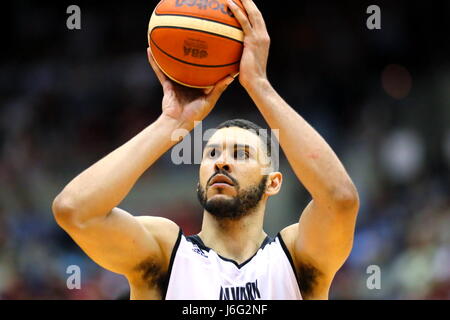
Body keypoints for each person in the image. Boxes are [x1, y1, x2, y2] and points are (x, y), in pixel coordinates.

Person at [52, 0, 359, 300]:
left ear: (273, 182)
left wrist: (259, 86)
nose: (221, 162)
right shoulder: (165, 254)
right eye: (211, 154)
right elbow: (74, 210)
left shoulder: (295, 257)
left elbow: (341, 200)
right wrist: (170, 122)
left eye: (240, 154)